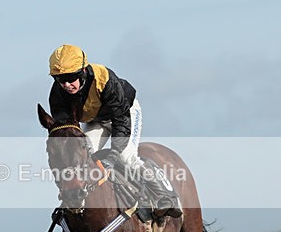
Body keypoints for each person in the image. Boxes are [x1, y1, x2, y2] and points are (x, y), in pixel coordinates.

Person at [48, 44, 181, 219]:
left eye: (71, 78)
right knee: (84, 155)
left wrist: (114, 154)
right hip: (97, 120)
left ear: (82, 72)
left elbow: (121, 120)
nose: (66, 85)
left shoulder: (104, 79)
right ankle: (76, 200)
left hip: (125, 113)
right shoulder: (58, 94)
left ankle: (165, 195)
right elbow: (68, 133)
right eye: (60, 79)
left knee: (126, 157)